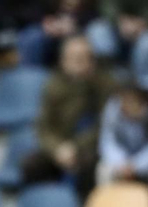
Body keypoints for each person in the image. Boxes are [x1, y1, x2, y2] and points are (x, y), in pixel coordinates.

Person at [24, 35, 117, 194]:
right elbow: (43, 126)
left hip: (91, 147)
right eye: (72, 58)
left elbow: (106, 124)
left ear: (92, 61)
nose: (78, 64)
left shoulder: (106, 85)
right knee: (32, 165)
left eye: (83, 59)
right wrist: (57, 148)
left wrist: (76, 147)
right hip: (60, 146)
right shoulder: (53, 85)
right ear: (62, 61)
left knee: (90, 168)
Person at [89, 0, 148, 77]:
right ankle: (109, 77)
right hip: (120, 24)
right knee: (98, 29)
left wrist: (145, 22)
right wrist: (119, 20)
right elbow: (108, 3)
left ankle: (142, 85)